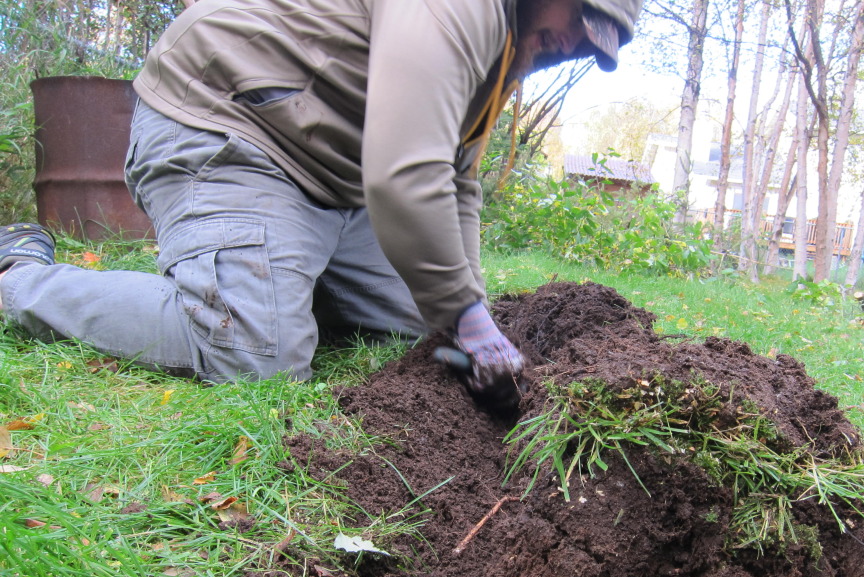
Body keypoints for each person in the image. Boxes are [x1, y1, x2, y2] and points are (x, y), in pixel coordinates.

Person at [0, 0, 642, 403]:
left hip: (332, 177)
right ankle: (20, 278)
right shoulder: (458, 9)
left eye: (596, 44)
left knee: (421, 329)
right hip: (230, 125)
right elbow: (403, 179)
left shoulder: (505, 52)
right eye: (580, 23)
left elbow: (455, 183)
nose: (578, 46)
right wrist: (471, 318)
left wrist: (462, 312)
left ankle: (267, 274)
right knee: (256, 354)